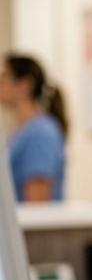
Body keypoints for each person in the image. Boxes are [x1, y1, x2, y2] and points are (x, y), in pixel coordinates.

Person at [0, 53, 68, 202]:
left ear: (25, 85)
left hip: (29, 223)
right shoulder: (20, 130)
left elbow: (38, 203)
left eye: (3, 78)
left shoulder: (41, 133)